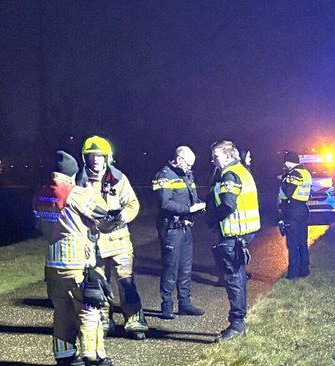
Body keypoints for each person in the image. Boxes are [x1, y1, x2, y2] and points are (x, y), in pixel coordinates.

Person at [34, 151, 117, 366]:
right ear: (72, 174)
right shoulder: (75, 193)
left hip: (52, 265)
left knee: (62, 311)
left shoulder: (41, 194)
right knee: (89, 308)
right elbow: (104, 216)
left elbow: (38, 225)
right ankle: (94, 357)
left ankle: (64, 356)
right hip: (77, 263)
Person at [77, 135, 148, 339]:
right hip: (94, 245)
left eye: (100, 155)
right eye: (92, 156)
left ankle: (134, 320)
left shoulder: (119, 179)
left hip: (119, 243)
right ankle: (103, 320)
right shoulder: (80, 183)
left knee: (127, 283)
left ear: (108, 157)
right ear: (85, 158)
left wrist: (122, 216)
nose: (96, 160)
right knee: (100, 284)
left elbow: (133, 205)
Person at [208, 140, 261, 340]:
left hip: (233, 234)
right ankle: (239, 321)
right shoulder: (242, 170)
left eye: (216, 156)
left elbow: (228, 204)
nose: (213, 160)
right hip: (242, 234)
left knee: (233, 279)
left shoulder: (229, 175)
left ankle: (237, 323)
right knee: (237, 276)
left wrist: (213, 217)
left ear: (229, 156)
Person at [152, 146, 206, 320]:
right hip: (171, 229)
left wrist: (201, 204)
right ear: (180, 158)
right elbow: (165, 203)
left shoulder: (187, 175)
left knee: (185, 268)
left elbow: (191, 197)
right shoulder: (164, 176)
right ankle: (166, 305)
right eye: (189, 164)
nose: (190, 168)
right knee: (170, 268)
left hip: (186, 227)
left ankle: (185, 304)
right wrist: (189, 208)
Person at [279, 150, 312, 278]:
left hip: (293, 209)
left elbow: (288, 192)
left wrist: (283, 180)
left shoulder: (294, 174)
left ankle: (293, 272)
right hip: (303, 208)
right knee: (302, 241)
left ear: (288, 162)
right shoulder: (305, 172)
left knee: (292, 242)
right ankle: (304, 269)